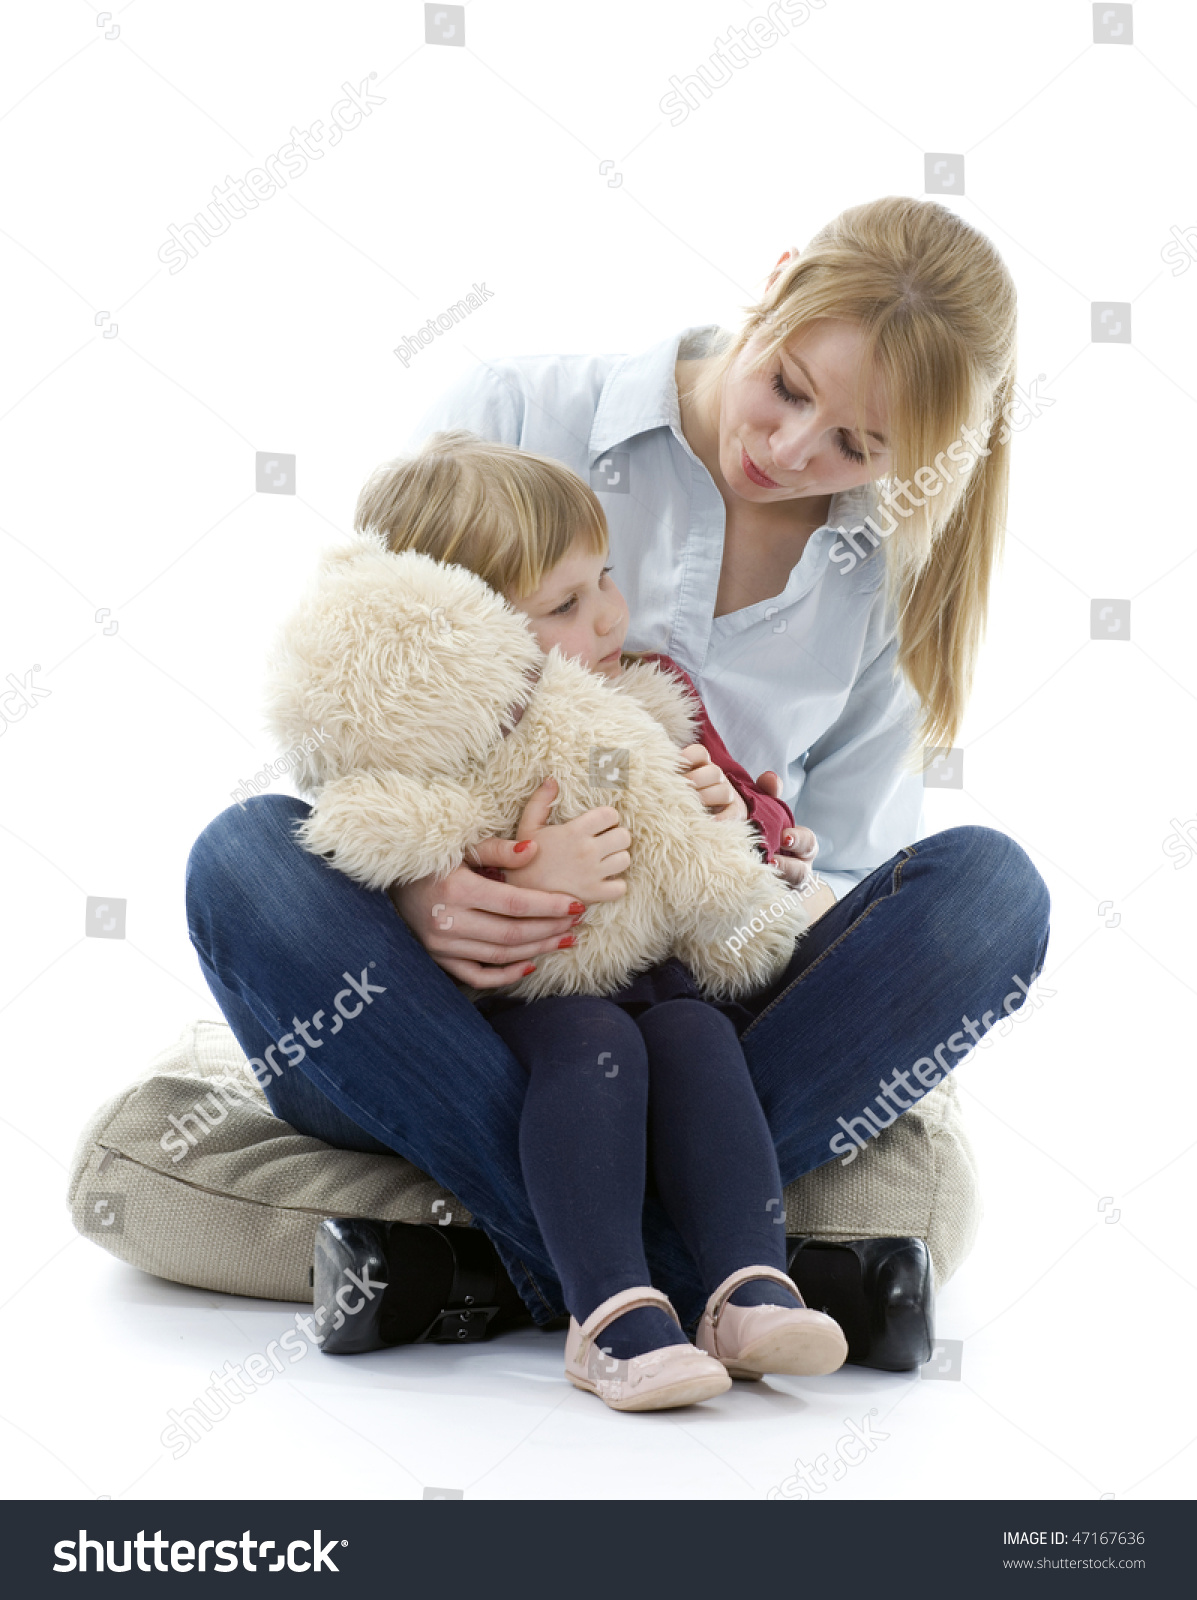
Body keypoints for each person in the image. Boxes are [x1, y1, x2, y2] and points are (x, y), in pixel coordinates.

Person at [186, 196, 1051, 1365]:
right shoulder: (515, 412)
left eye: (858, 446)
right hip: (449, 1025)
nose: (794, 452)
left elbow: (838, 874)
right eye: (789, 387)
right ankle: (710, 1264)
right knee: (243, 860)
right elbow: (365, 695)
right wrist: (428, 899)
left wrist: (763, 864)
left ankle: (493, 1273)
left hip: (693, 1021)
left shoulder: (880, 586)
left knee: (991, 893)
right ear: (778, 277)